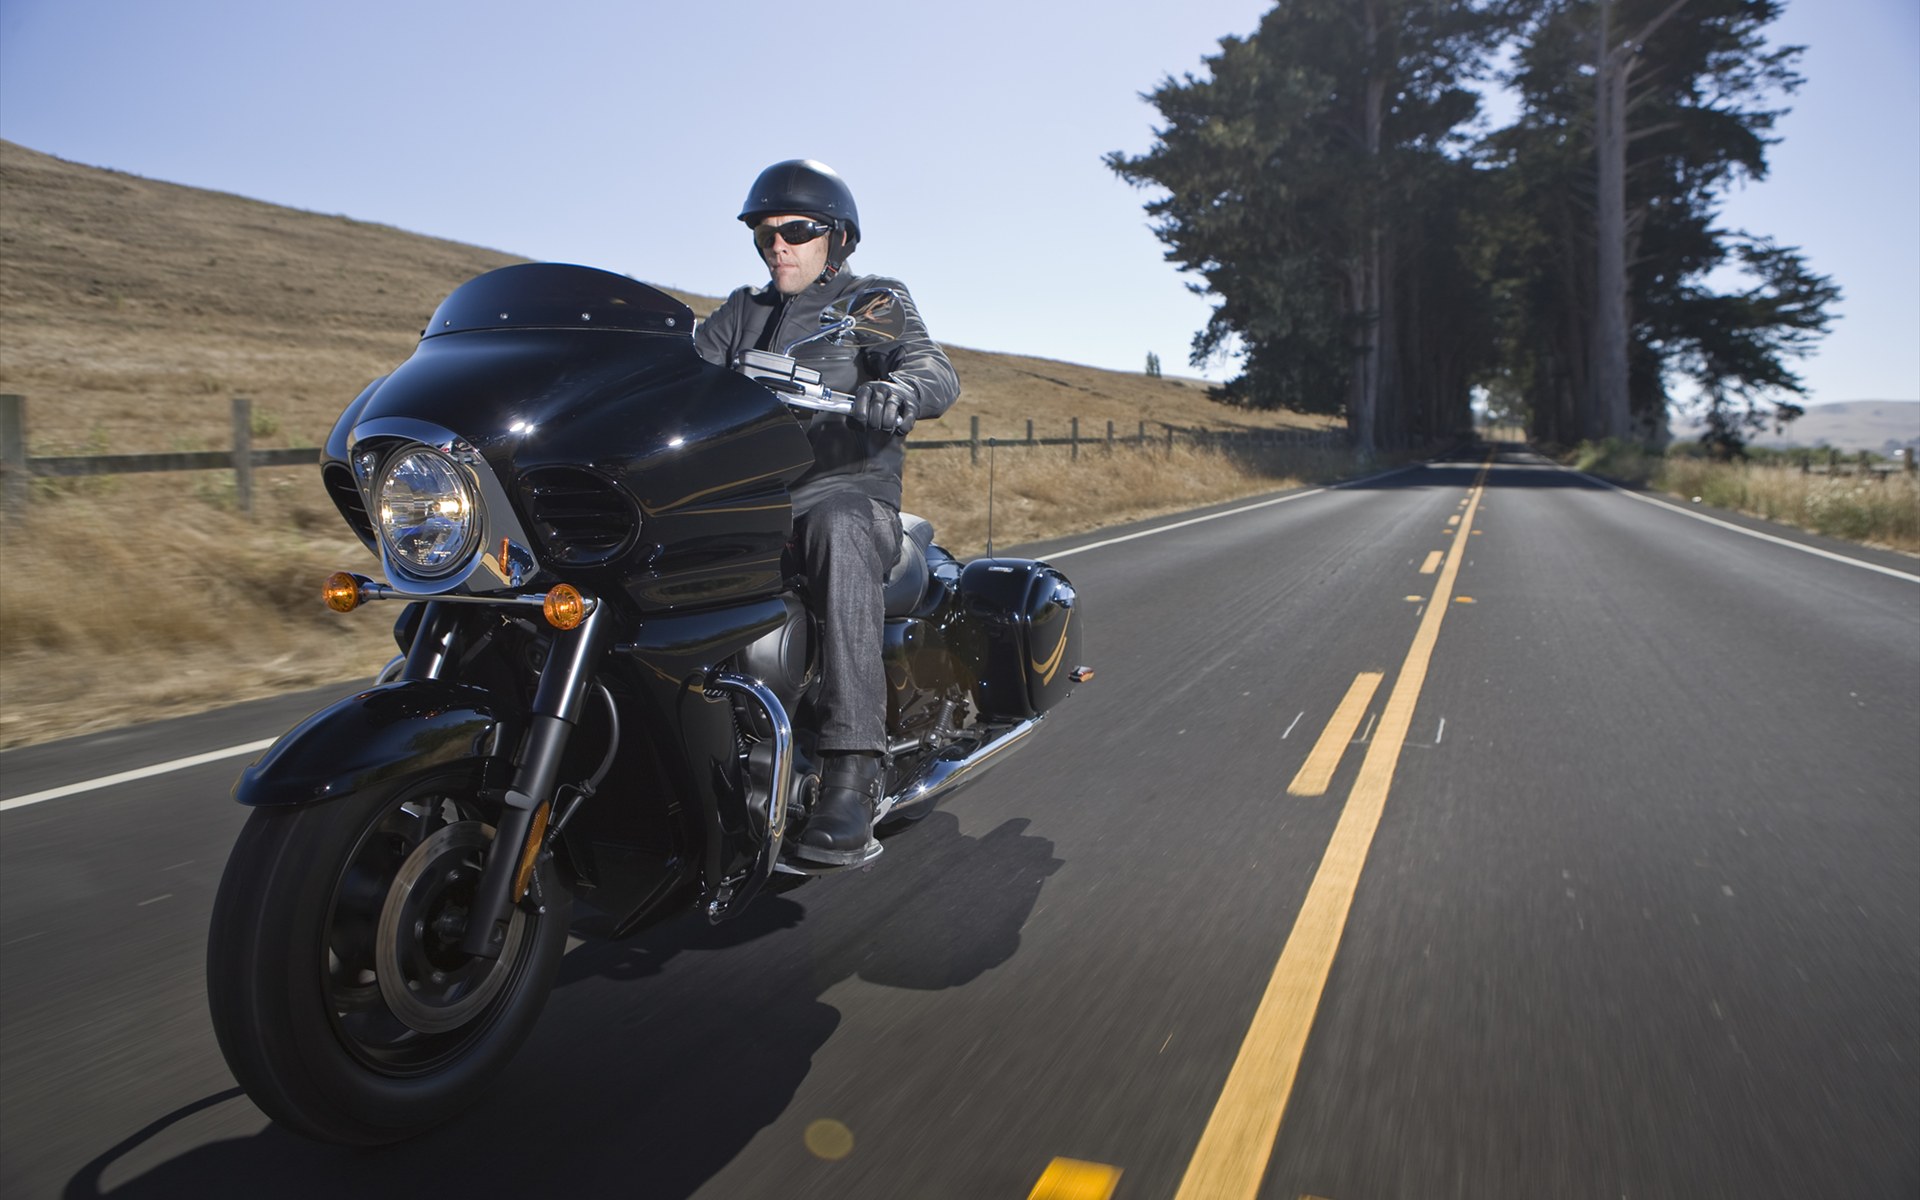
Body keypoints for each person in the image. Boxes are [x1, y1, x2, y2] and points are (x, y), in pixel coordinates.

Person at [694, 159, 959, 866]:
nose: (777, 245)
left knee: (836, 526)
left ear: (836, 238)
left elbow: (932, 367)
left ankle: (852, 771)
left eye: (796, 231)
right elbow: (678, 375)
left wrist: (901, 390)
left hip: (848, 500)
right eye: (765, 234)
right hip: (752, 511)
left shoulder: (870, 302)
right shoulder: (741, 314)